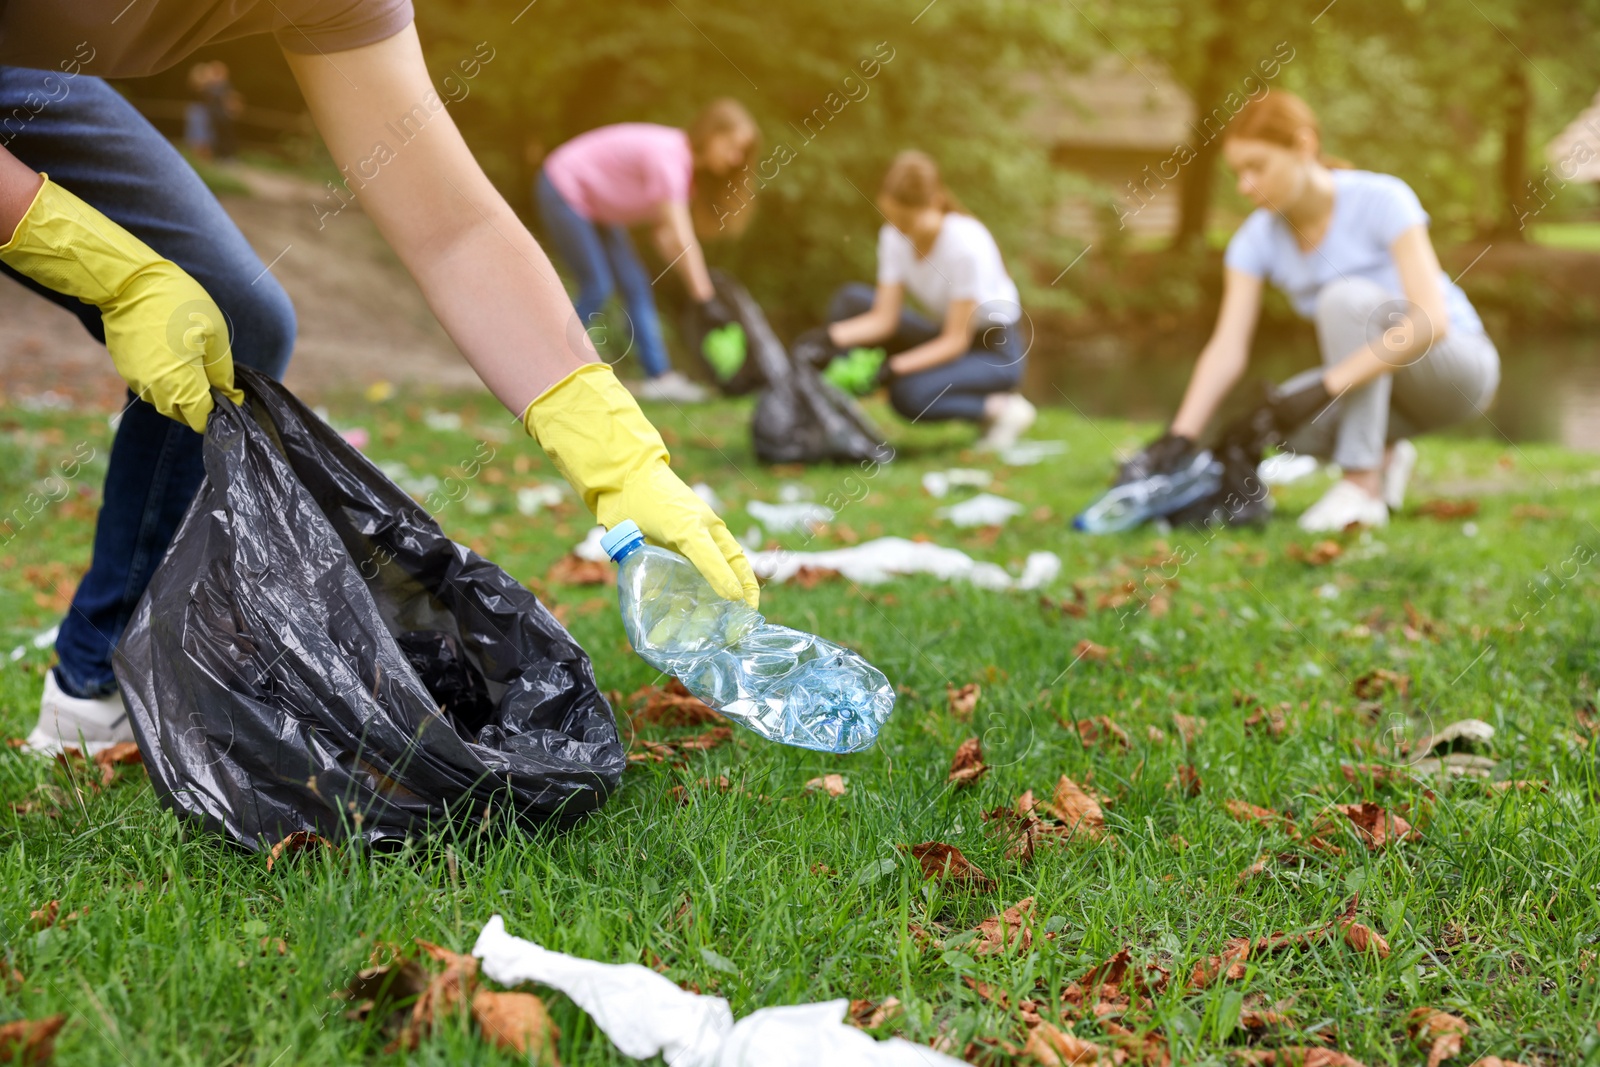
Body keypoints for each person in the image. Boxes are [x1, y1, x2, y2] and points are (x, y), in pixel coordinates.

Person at [0, 1, 757, 756]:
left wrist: (611, 449)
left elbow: (455, 228)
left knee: (238, 316)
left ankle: (90, 682)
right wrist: (102, 269)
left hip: (32, 79)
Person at [1121, 92, 1500, 532]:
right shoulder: (1255, 240)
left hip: (1457, 371)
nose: (1245, 186)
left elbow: (1431, 322)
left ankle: (1360, 485)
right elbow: (1226, 347)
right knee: (1274, 419)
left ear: (1302, 146)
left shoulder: (1384, 199)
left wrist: (1327, 386)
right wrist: (1180, 436)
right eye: (1238, 173)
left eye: (1256, 167)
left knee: (1342, 299)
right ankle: (1386, 453)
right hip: (1387, 386)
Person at [799, 150, 1035, 451]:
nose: (900, 229)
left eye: (907, 220)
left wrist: (893, 368)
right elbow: (884, 318)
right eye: (893, 218)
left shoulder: (966, 245)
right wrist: (825, 339)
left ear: (935, 202)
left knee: (908, 395)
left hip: (993, 352)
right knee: (850, 301)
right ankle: (831, 409)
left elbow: (954, 342)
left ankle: (1002, 410)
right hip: (945, 332)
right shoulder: (895, 236)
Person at [536, 102, 759, 404]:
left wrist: (696, 291)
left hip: (598, 209)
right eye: (731, 146)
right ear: (711, 134)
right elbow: (682, 238)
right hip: (564, 186)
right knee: (598, 286)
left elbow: (667, 240)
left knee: (636, 284)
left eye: (741, 153)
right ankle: (544, 369)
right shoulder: (670, 159)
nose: (735, 159)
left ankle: (660, 378)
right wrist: (705, 298)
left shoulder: (685, 174)